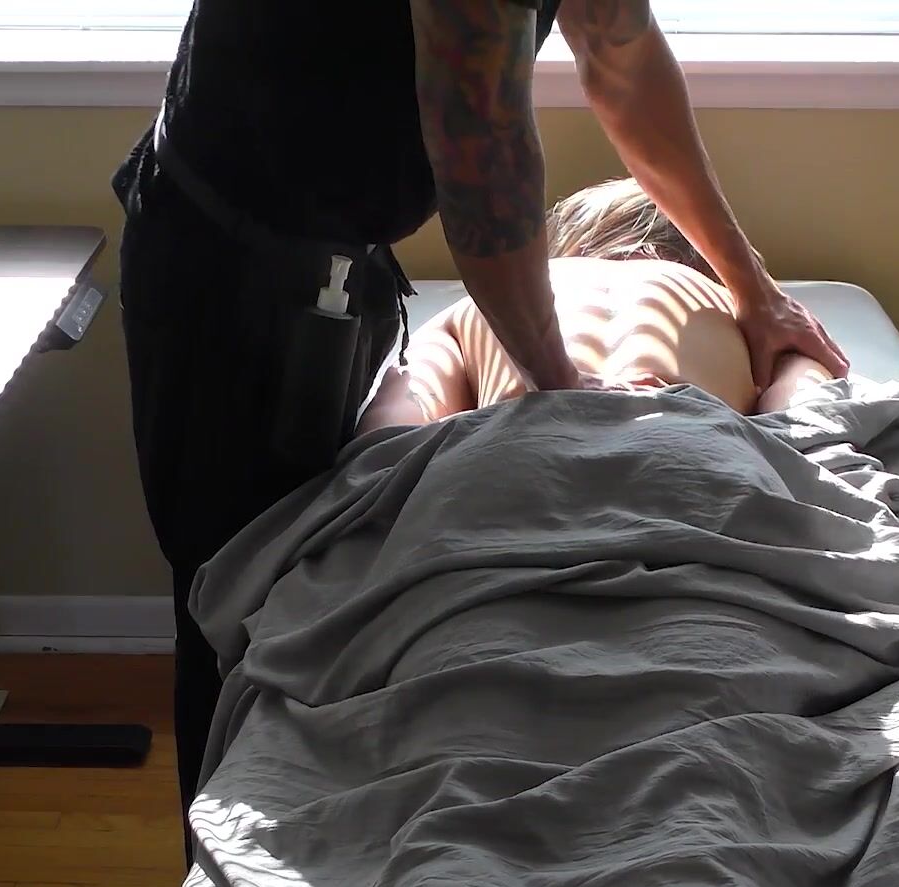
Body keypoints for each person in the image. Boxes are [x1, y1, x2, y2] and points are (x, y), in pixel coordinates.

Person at [112, 0, 852, 842]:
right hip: (230, 270)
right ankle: (243, 851)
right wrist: (565, 390)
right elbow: (484, 172)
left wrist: (752, 290)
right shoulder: (549, 314)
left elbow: (622, 52)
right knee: (236, 610)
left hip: (443, 392)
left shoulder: (464, 328)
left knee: (349, 625)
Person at [358, 177, 841, 433]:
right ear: (698, 260)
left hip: (521, 443)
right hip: (688, 440)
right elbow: (811, 417)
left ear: (570, 243)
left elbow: (396, 426)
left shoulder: (483, 306)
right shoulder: (746, 312)